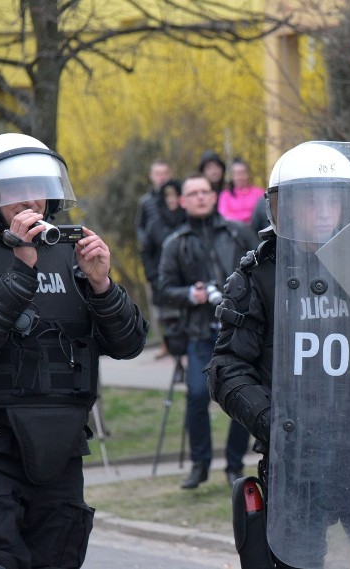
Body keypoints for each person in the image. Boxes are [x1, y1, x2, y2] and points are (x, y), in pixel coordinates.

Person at [206, 142, 350, 569]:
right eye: (308, 200)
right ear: (285, 208)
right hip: (298, 460)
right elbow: (226, 369)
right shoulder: (260, 276)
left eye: (330, 198)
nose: (320, 210)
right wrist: (274, 423)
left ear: (347, 204)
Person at [0, 132, 149, 569]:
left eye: (38, 188)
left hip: (60, 443)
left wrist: (102, 284)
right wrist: (21, 267)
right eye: (13, 189)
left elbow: (130, 342)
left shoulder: (68, 247)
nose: (30, 201)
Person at [157, 173, 259, 489]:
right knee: (198, 397)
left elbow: (261, 273)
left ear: (214, 196)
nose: (200, 197)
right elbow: (164, 289)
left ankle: (233, 465)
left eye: (205, 191)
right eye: (193, 192)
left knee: (243, 398)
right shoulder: (175, 243)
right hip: (200, 332)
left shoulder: (239, 233)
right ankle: (200, 465)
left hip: (238, 331)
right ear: (183, 201)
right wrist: (191, 294)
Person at [139, 179, 186, 354]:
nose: (171, 199)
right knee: (170, 322)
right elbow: (146, 253)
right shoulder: (155, 225)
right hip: (164, 281)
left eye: (174, 195)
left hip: (188, 282)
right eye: (167, 196)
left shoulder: (189, 220)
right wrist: (152, 275)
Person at [135, 158, 174, 354]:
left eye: (165, 173)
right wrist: (147, 242)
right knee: (160, 306)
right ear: (151, 177)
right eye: (158, 174)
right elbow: (139, 229)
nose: (162, 177)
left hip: (175, 258)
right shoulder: (146, 202)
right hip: (155, 259)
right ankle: (165, 343)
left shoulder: (175, 197)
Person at [218, 157, 265, 224]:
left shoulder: (259, 193)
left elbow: (264, 214)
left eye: (243, 173)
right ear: (232, 176)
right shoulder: (225, 195)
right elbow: (224, 216)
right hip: (234, 230)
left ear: (248, 174)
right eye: (237, 174)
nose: (240, 177)